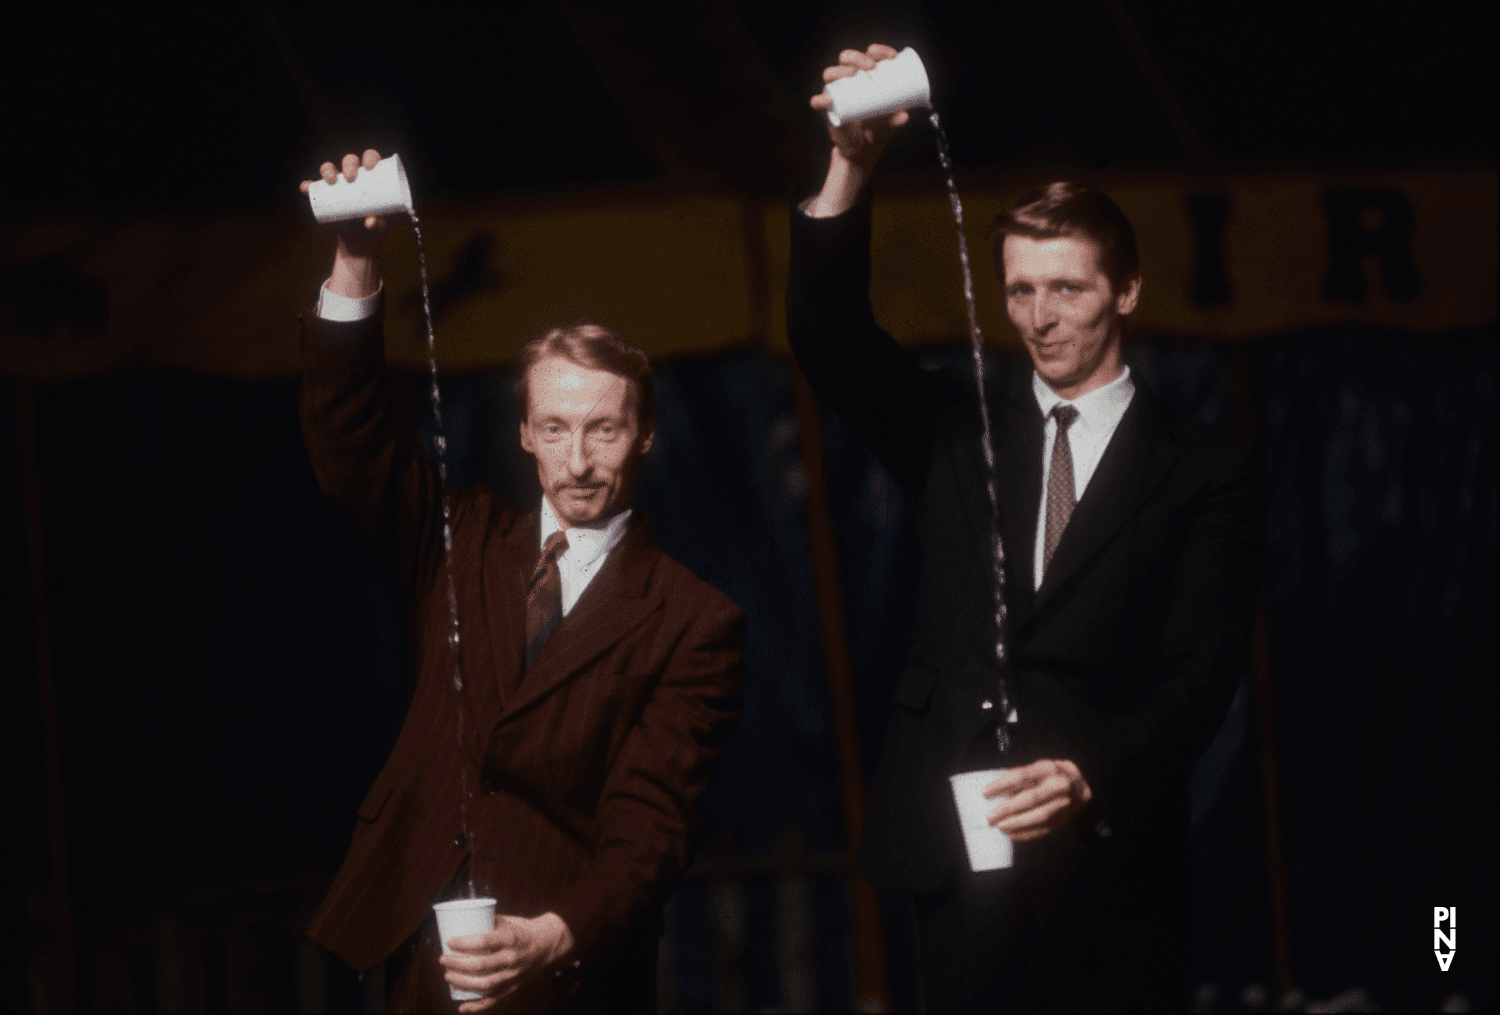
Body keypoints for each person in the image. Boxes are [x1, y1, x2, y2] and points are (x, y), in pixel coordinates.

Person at [788, 46, 1265, 1010]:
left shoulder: (1204, 466)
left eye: (1067, 289)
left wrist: (1092, 774)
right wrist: (851, 163)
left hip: (1113, 859)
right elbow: (828, 338)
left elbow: (1201, 671)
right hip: (961, 852)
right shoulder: (954, 430)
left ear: (1125, 290)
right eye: (1019, 291)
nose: (1040, 318)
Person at [297, 151, 744, 1013]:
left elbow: (650, 828)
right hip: (421, 942)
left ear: (646, 434)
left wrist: (554, 934)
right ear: (526, 434)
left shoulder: (693, 620)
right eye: (557, 428)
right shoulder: (462, 540)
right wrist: (355, 260)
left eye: (604, 430)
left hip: (565, 969)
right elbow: (352, 446)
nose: (579, 461)